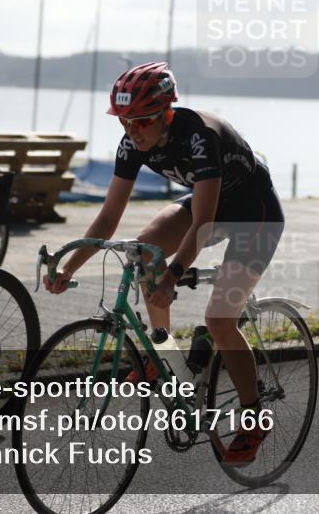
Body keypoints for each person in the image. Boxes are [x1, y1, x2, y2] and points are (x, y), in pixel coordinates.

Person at [44, 62, 284, 465]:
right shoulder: (131, 143)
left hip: (252, 213)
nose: (132, 131)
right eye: (124, 122)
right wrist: (70, 267)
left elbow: (204, 224)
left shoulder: (200, 137)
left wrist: (172, 277)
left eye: (140, 121)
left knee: (220, 320)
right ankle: (164, 356)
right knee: (144, 248)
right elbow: (107, 217)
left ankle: (255, 416)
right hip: (211, 206)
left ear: (166, 114)